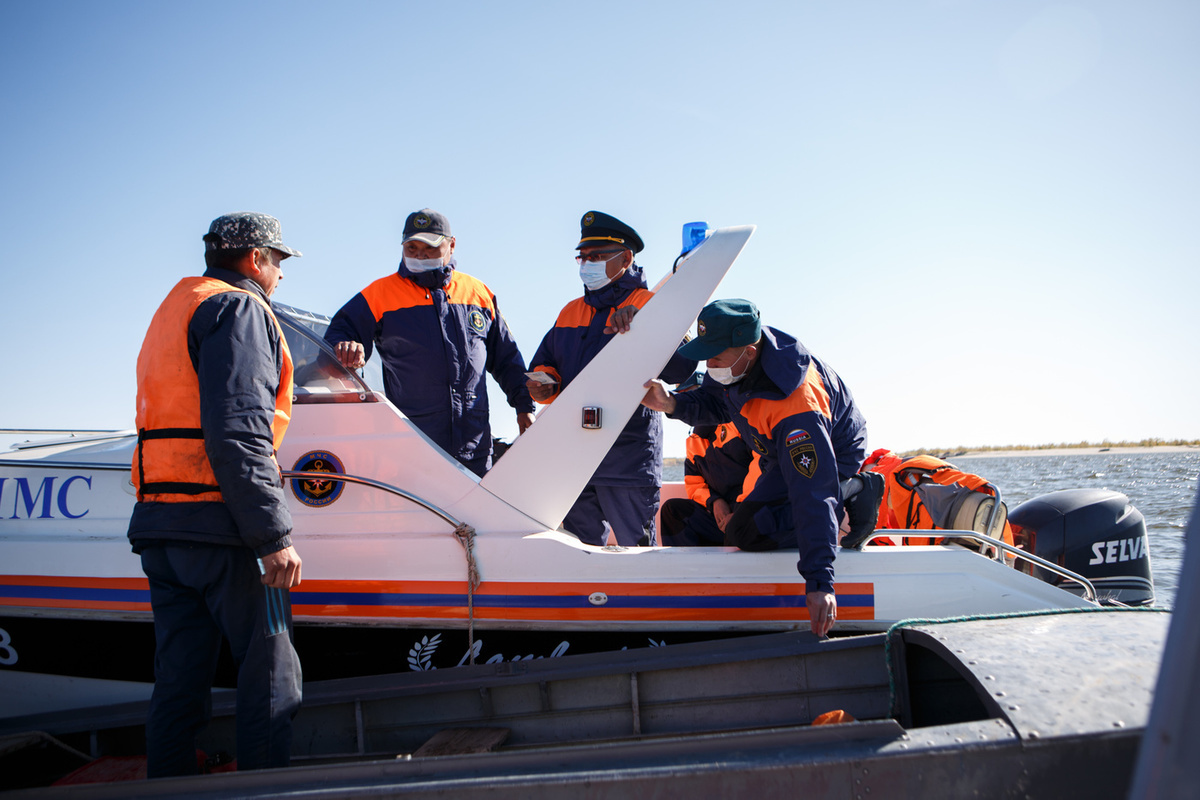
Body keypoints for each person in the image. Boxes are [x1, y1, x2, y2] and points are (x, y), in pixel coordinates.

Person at [127, 212, 304, 776]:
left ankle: (168, 788)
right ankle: (265, 791)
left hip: (162, 528)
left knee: (178, 679)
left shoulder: (176, 306)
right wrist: (272, 535)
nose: (279, 275)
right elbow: (240, 428)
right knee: (273, 672)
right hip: (228, 531)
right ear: (256, 259)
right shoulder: (242, 308)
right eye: (278, 262)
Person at [641, 299, 869, 636]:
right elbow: (716, 403)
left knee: (747, 530)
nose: (709, 363)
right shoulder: (737, 363)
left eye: (715, 355)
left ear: (748, 351)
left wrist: (820, 582)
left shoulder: (796, 404)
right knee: (736, 524)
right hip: (774, 453)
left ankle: (855, 491)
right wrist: (672, 403)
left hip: (830, 458)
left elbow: (813, 492)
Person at [526, 211, 696, 546]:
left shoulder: (650, 305)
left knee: (637, 550)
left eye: (598, 256)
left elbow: (682, 368)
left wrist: (645, 328)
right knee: (580, 552)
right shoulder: (569, 312)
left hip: (628, 460)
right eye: (583, 257)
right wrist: (543, 384)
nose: (587, 264)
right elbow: (545, 366)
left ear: (626, 258)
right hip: (576, 456)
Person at [325, 209, 535, 477]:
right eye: (412, 248)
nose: (420, 255)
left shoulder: (479, 294)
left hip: (475, 447)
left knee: (474, 520)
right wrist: (347, 346)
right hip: (414, 448)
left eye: (430, 248)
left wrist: (524, 407)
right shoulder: (379, 295)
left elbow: (507, 359)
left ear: (452, 245)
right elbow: (340, 333)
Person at [659, 421, 759, 546]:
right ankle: (686, 565)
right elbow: (694, 484)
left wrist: (741, 510)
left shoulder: (739, 424)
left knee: (735, 530)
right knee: (673, 510)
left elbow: (760, 467)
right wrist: (714, 501)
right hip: (721, 517)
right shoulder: (694, 441)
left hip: (751, 510)